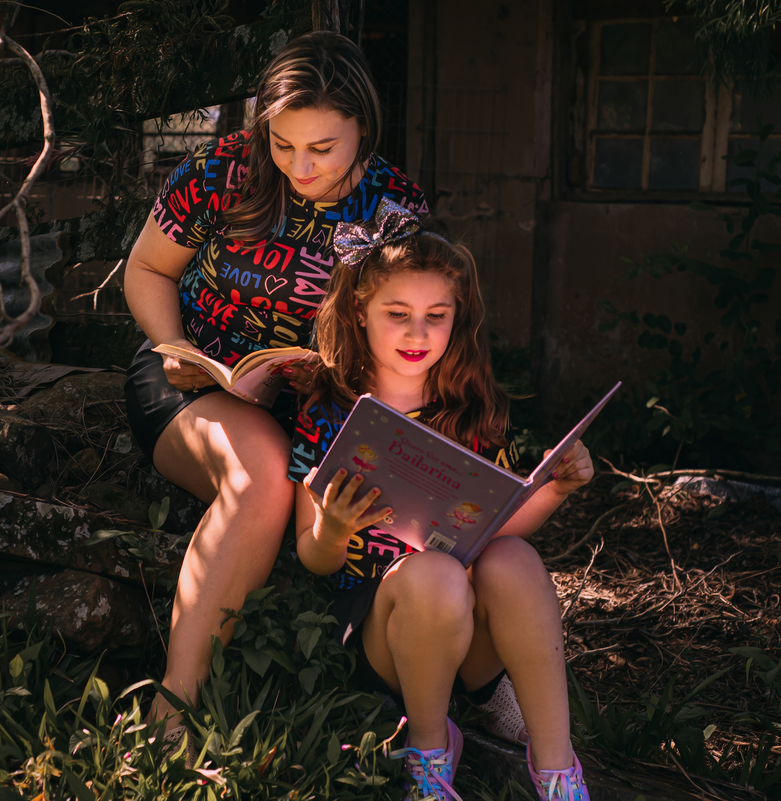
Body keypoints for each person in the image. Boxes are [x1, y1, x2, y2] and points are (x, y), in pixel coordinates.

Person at [122, 30, 428, 741]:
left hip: (329, 405)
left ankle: (455, 701)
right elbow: (147, 269)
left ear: (364, 127)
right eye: (284, 144)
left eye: (322, 147)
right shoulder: (224, 170)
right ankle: (175, 707)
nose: (299, 166)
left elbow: (411, 337)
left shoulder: (395, 210)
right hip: (193, 380)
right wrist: (177, 348)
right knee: (261, 472)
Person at [289, 199, 591, 801]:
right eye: (397, 313)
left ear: (457, 318)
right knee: (433, 575)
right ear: (360, 310)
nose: (417, 333)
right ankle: (429, 753)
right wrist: (333, 528)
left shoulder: (469, 412)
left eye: (437, 315)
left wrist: (555, 487)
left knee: (513, 561)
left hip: (471, 633)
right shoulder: (328, 415)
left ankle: (556, 769)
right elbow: (313, 557)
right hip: (387, 633)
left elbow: (500, 528)